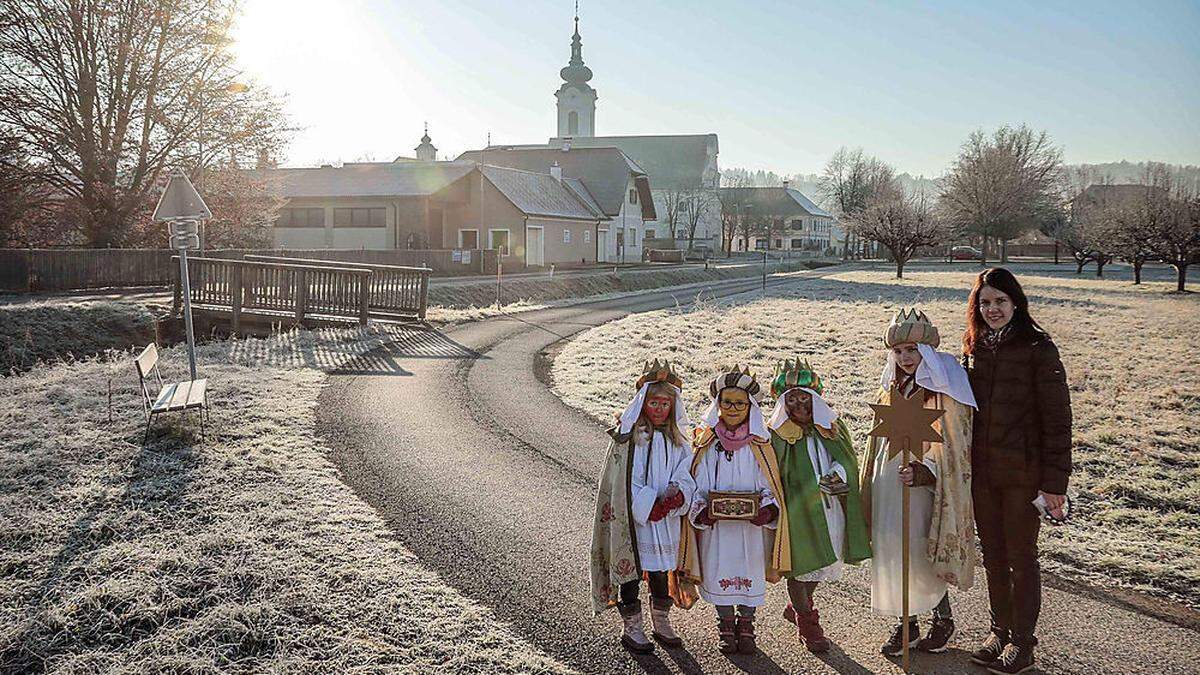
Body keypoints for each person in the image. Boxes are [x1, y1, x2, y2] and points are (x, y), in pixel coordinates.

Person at [962, 268, 1072, 675]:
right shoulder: (973, 349)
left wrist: (1055, 483)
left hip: (1023, 474)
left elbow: (1058, 419)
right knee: (993, 556)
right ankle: (999, 630)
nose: (992, 309)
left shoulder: (1038, 348)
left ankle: (1022, 643)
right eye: (985, 302)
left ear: (1016, 303)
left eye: (1000, 301)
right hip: (983, 473)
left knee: (1021, 558)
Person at [860, 308, 978, 657]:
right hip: (891, 481)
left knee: (922, 550)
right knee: (894, 548)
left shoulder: (944, 389)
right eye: (898, 352)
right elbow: (880, 437)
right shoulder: (893, 387)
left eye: (911, 350)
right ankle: (906, 623)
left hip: (924, 486)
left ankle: (942, 619)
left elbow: (953, 441)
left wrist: (926, 470)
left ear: (925, 351)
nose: (905, 358)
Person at [676, 366, 789, 654]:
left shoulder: (760, 444)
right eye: (727, 402)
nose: (733, 408)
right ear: (718, 405)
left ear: (750, 406)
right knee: (718, 569)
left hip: (750, 529)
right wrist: (702, 511)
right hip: (717, 528)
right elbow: (697, 481)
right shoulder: (708, 443)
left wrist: (767, 509)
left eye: (740, 403)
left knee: (749, 569)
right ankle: (726, 623)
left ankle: (747, 625)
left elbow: (769, 483)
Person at [590, 360, 698, 653]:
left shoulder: (679, 440)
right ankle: (633, 627)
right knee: (632, 570)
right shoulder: (630, 439)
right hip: (635, 520)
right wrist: (648, 505)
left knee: (661, 570)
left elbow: (684, 472)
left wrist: (677, 497)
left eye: (665, 403)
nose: (660, 409)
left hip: (665, 520)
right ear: (643, 403)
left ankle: (661, 622)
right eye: (654, 402)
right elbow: (626, 479)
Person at [766, 359, 871, 653]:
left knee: (825, 560)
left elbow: (848, 459)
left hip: (830, 508)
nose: (800, 405)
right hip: (798, 513)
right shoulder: (777, 435)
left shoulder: (832, 428)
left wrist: (837, 474)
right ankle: (808, 622)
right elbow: (772, 474)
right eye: (792, 399)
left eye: (805, 398)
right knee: (801, 565)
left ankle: (797, 607)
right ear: (783, 403)